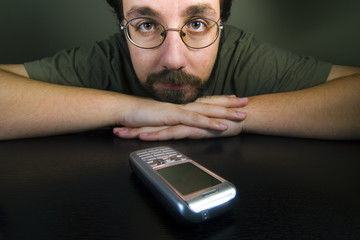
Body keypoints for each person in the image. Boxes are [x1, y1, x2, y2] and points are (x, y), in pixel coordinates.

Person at [0, 0, 359, 141]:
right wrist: (130, 108)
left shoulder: (242, 55)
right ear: (122, 26)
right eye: (145, 26)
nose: (173, 59)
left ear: (223, 24)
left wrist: (234, 117)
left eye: (199, 23)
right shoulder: (106, 58)